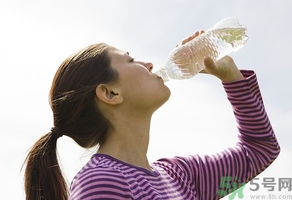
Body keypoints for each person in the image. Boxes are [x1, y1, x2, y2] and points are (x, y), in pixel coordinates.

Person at [23, 31, 280, 200]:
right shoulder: (102, 182)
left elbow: (259, 149)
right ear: (110, 93)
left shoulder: (180, 175)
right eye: (131, 59)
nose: (148, 64)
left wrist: (232, 77)